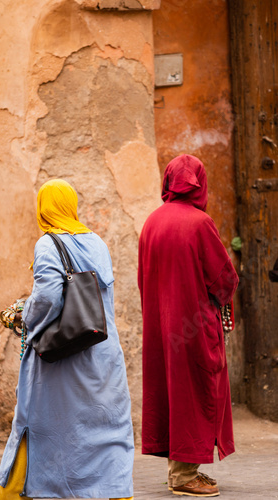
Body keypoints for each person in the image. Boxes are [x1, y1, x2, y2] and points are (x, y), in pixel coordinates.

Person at [0, 179, 134, 500]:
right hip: (102, 357)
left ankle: (36, 490)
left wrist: (22, 315)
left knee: (51, 430)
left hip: (62, 364)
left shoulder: (47, 244)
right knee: (102, 432)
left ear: (43, 208)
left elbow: (47, 298)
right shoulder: (97, 242)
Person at [138, 154, 239, 497]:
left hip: (162, 325)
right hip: (193, 327)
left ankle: (182, 470)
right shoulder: (199, 223)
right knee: (195, 393)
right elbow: (224, 278)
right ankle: (182, 476)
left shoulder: (151, 223)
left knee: (172, 392)